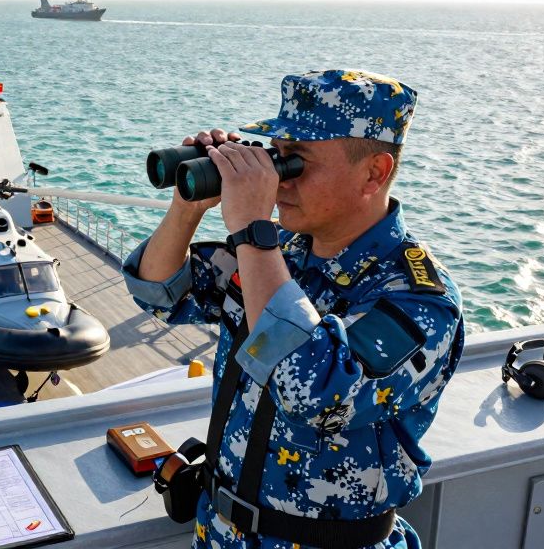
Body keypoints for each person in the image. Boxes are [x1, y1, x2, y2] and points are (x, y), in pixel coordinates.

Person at [123, 70, 464, 549]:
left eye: (296, 162)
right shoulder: (279, 251)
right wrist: (188, 205)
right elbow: (161, 293)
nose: (277, 181)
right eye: (275, 157)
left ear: (374, 172)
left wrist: (251, 227)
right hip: (219, 534)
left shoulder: (419, 298)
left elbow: (317, 393)